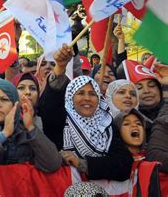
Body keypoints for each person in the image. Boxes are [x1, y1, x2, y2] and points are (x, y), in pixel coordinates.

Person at [39, 45, 133, 181]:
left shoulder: (106, 124)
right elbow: (49, 104)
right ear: (70, 98)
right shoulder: (60, 119)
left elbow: (123, 165)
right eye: (80, 93)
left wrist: (82, 164)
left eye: (92, 94)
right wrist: (60, 67)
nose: (87, 98)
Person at [0, 79, 61, 172]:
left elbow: (52, 164)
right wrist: (3, 135)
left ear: (15, 105)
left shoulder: (26, 131)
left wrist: (31, 128)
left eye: (4, 99)